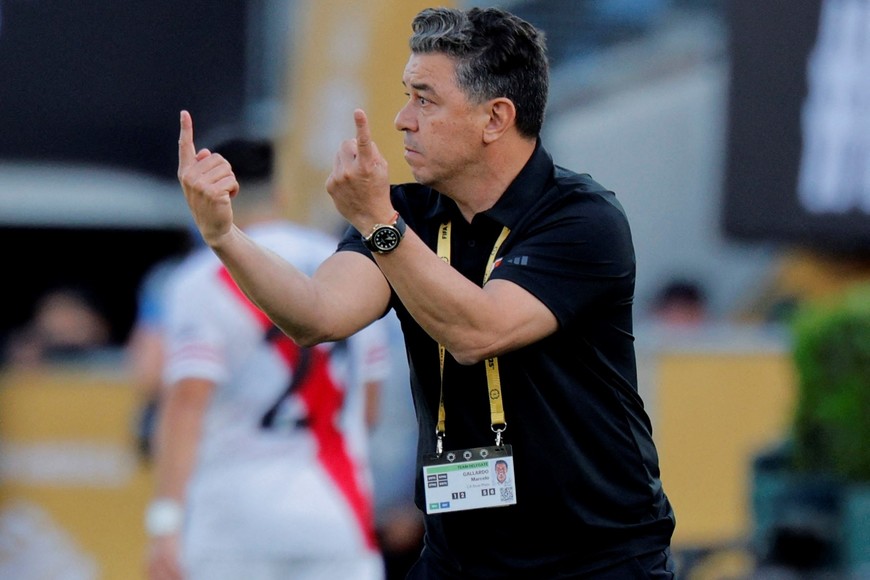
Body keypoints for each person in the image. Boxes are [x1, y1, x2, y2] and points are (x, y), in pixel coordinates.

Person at [176, 6, 676, 578]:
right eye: (406, 96)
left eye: (424, 99)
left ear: (495, 118)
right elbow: (315, 315)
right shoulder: (408, 211)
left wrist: (379, 225)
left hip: (597, 558)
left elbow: (478, 332)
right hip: (460, 556)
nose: (401, 120)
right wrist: (224, 235)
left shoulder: (582, 218)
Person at [146, 139, 390, 580]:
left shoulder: (200, 279)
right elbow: (370, 406)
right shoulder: (351, 264)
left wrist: (165, 524)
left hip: (233, 520)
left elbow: (185, 405)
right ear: (279, 192)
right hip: (336, 513)